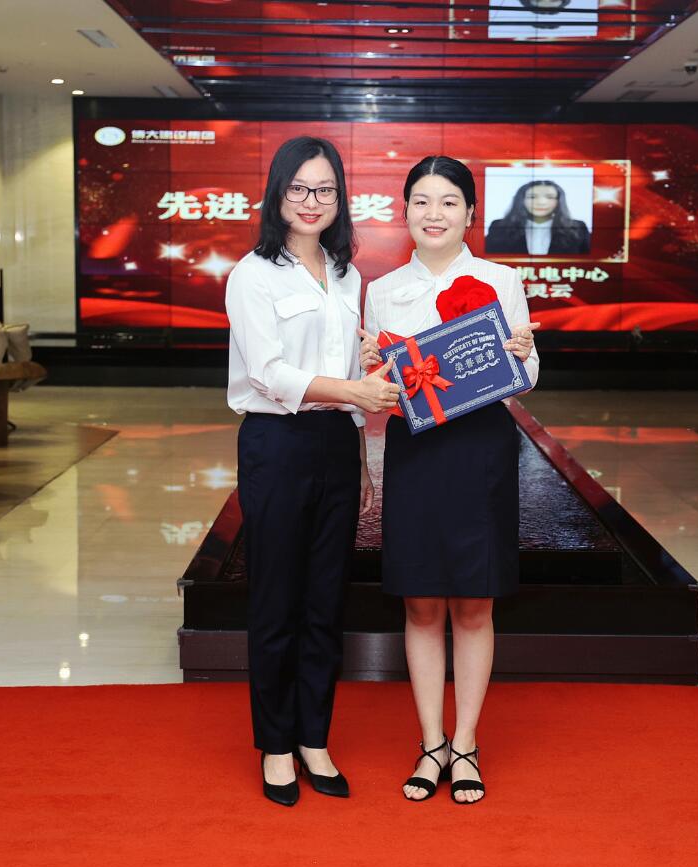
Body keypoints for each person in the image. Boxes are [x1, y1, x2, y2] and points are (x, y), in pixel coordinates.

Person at [225, 136, 402, 807]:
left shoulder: (347, 274)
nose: (311, 201)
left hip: (335, 443)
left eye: (324, 189)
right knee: (277, 598)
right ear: (277, 192)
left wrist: (361, 460)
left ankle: (313, 738)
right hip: (276, 442)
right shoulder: (252, 274)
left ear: (339, 199)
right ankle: (275, 744)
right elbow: (268, 375)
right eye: (298, 188)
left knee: (327, 600)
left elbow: (353, 374)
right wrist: (354, 393)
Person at [359, 156, 540, 804]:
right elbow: (374, 387)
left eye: (447, 202)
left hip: (480, 450)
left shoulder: (500, 279)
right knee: (420, 601)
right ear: (405, 211)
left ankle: (465, 743)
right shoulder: (382, 289)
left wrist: (521, 356)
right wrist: (371, 371)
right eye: (421, 201)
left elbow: (527, 377)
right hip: (416, 450)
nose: (433, 214)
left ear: (469, 213)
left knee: (473, 600)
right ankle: (430, 741)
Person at [484, 179, 591, 256]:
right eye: (532, 197)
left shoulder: (578, 228)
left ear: (559, 201)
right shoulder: (499, 227)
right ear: (521, 200)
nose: (541, 202)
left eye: (550, 197)